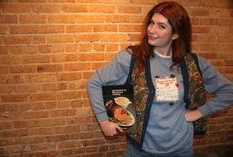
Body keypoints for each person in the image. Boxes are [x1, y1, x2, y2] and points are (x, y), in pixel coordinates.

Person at [87, 1, 233, 157]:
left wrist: (198, 113)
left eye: (161, 26)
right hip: (140, 150)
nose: (151, 30)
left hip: (180, 149)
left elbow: (228, 91)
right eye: (152, 23)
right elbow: (94, 82)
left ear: (176, 34)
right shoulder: (132, 58)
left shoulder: (193, 63)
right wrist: (103, 121)